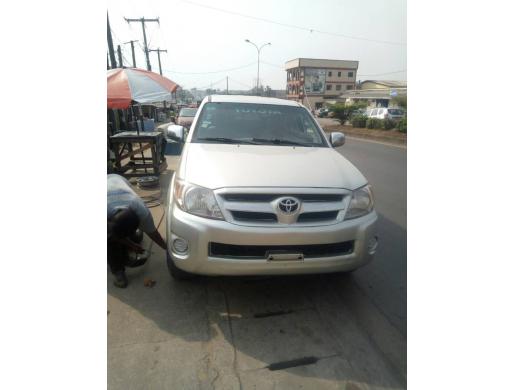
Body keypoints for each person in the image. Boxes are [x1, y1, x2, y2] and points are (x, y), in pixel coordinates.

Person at [107, 174, 167, 288]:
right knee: (110, 240)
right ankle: (118, 272)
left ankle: (125, 240)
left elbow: (153, 233)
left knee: (136, 237)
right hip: (109, 200)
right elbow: (113, 235)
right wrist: (131, 245)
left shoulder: (142, 212)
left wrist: (167, 248)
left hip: (117, 180)